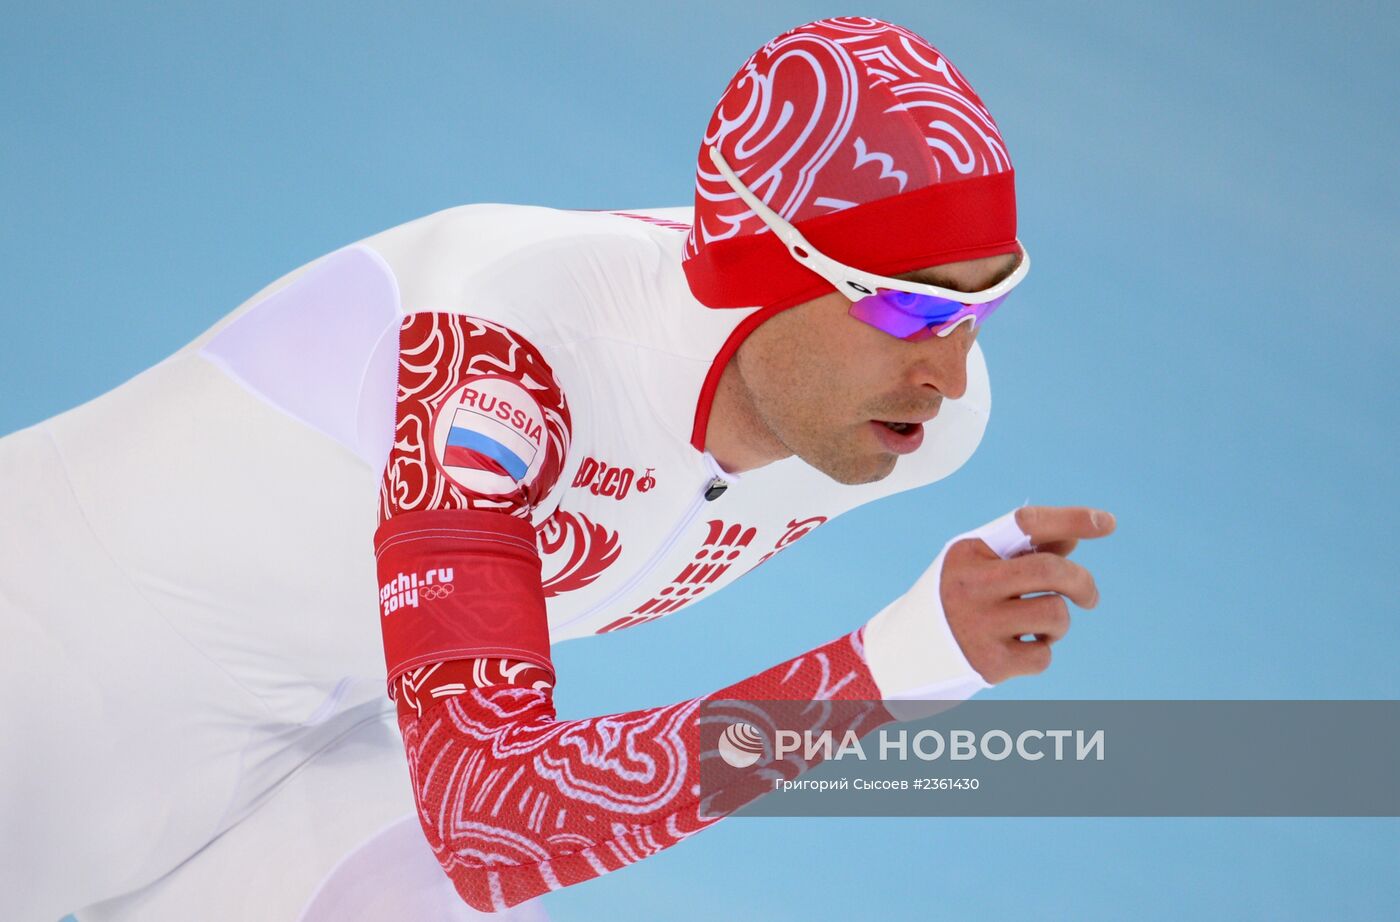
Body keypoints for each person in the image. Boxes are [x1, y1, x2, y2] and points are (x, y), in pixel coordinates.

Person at [0, 16, 1114, 921]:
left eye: (983, 307)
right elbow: (493, 818)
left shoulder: (912, 427)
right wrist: (892, 668)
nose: (948, 372)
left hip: (298, 763)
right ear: (768, 264)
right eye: (912, 307)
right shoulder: (500, 349)